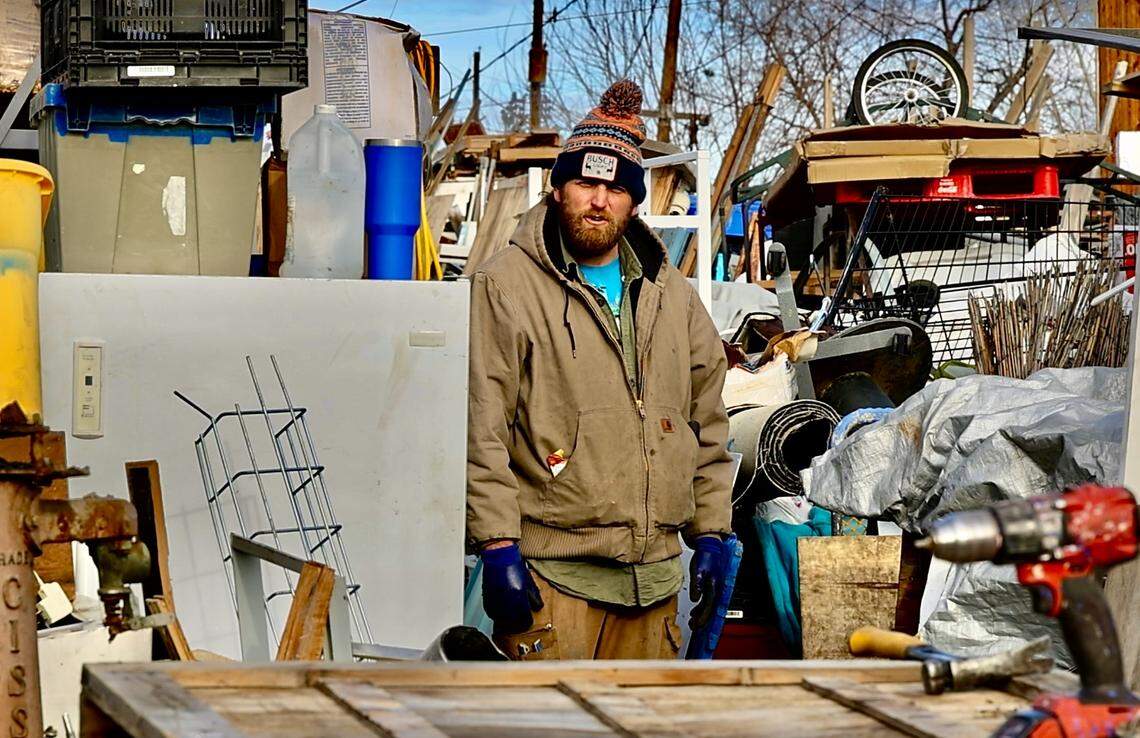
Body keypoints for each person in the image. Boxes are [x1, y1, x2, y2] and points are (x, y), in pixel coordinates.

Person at [466, 79, 733, 660]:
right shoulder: (505, 286)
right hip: (554, 581)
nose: (599, 199)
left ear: (635, 201)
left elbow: (708, 421)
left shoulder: (673, 294)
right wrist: (497, 544)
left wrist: (711, 532)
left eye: (615, 187)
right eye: (586, 181)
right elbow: (480, 424)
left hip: (657, 583)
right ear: (558, 188)